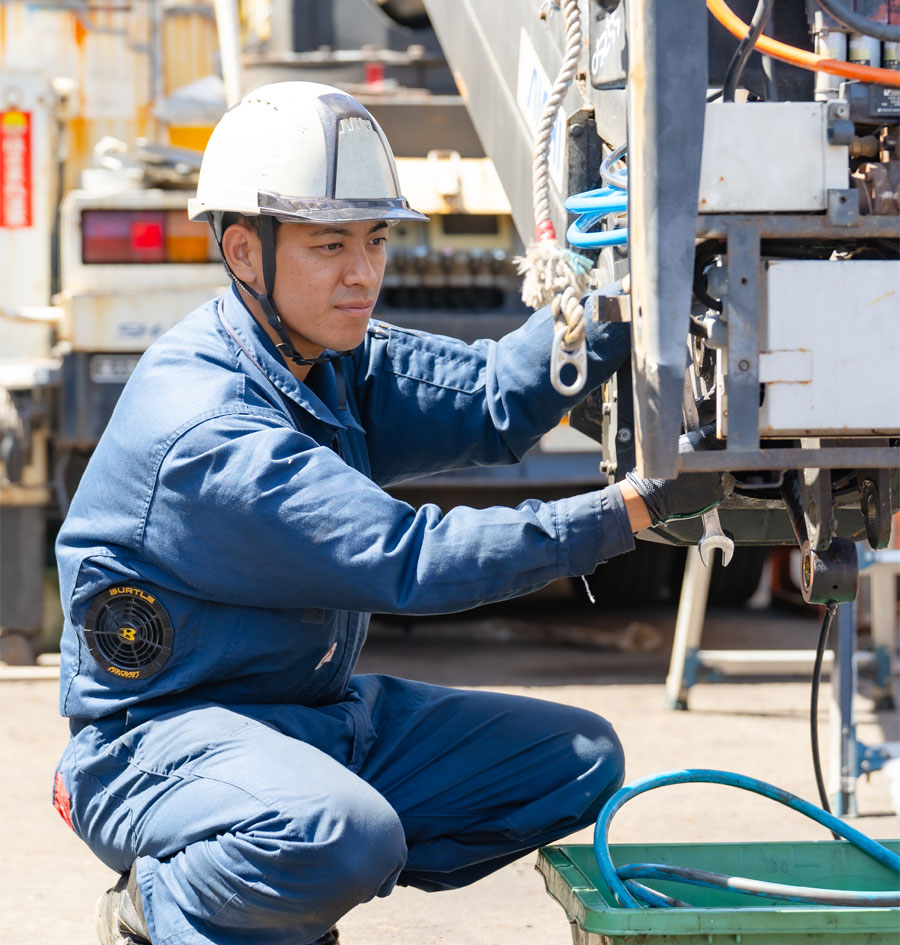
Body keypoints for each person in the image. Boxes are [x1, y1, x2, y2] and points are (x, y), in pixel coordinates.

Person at [52, 82, 728, 945]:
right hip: (154, 746)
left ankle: (296, 865)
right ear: (244, 252)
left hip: (311, 715)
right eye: (329, 243)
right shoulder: (207, 429)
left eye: (374, 238)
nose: (363, 272)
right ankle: (172, 901)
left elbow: (489, 397)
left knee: (578, 763)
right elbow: (409, 558)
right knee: (340, 834)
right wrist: (629, 511)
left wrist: (624, 283)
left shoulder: (321, 355)